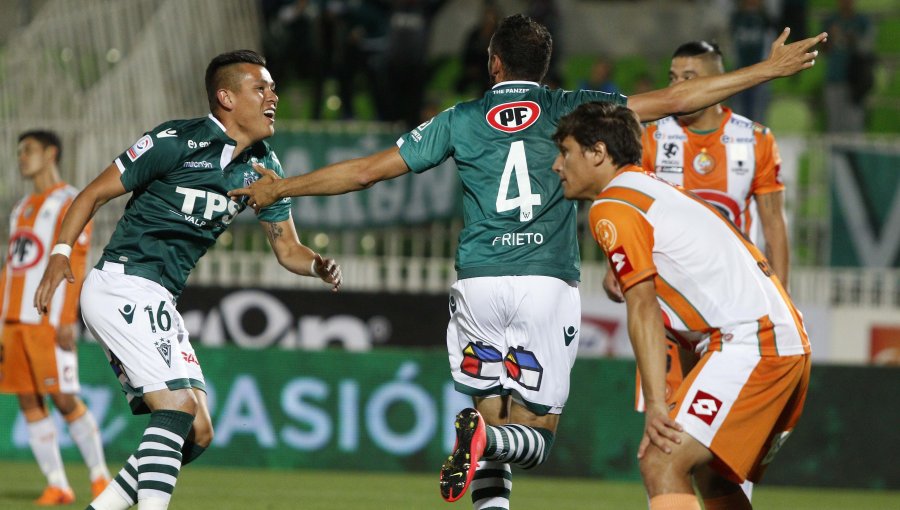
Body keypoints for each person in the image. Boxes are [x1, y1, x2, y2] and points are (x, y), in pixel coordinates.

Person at [230, 15, 824, 509]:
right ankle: (488, 439)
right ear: (544, 67)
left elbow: (365, 172)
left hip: (480, 283)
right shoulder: (573, 110)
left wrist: (283, 190)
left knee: (488, 413)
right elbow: (674, 100)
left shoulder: (459, 119)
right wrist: (767, 69)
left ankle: (485, 446)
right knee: (532, 434)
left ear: (493, 65)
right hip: (546, 282)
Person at [33, 50, 342, 510]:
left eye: (273, 88)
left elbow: (287, 250)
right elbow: (93, 194)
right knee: (176, 408)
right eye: (261, 88)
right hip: (123, 283)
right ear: (226, 97)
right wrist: (59, 253)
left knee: (197, 432)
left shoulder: (263, 166)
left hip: (159, 296)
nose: (273, 96)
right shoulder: (175, 140)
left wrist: (316, 264)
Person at [551, 100, 811, 510]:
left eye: (565, 151)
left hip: (753, 345)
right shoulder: (651, 189)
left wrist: (656, 404)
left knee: (661, 458)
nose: (556, 165)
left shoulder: (612, 205)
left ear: (598, 153)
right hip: (782, 343)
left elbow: (643, 306)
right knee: (712, 476)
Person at [0, 130, 111, 505]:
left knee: (63, 398)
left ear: (51, 153)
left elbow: (75, 260)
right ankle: (58, 484)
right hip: (13, 321)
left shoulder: (69, 200)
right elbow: (13, 268)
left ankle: (99, 477)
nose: (21, 158)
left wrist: (66, 317)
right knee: (28, 400)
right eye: (19, 152)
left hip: (46, 320)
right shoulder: (21, 207)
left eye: (28, 150)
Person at [821, 0, 875, 133]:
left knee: (854, 124)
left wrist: (854, 39)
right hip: (834, 77)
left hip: (855, 82)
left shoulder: (863, 22)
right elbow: (823, 50)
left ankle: (854, 154)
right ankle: (835, 154)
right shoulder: (830, 21)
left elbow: (868, 49)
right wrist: (831, 38)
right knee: (834, 124)